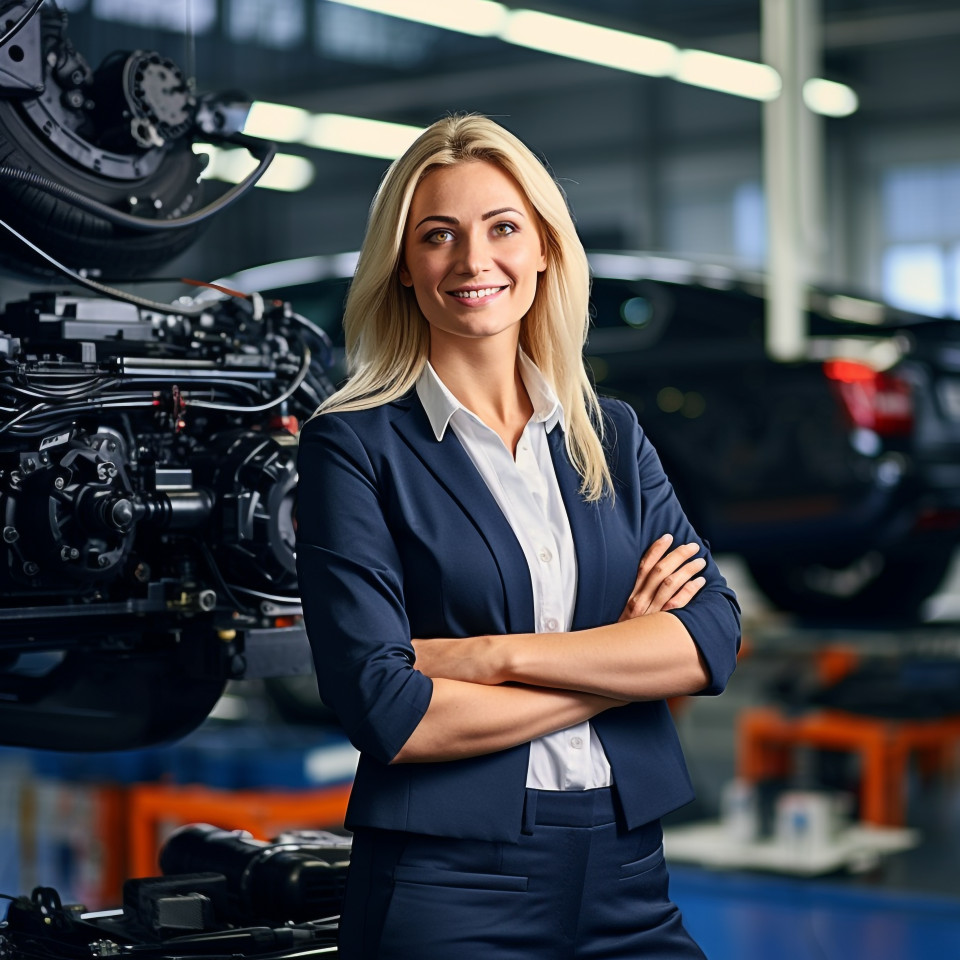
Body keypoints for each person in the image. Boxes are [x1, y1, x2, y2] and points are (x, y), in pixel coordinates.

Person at [295, 113, 741, 959]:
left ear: (544, 248)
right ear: (402, 268)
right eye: (438, 236)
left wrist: (486, 656)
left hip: (628, 871)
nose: (473, 262)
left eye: (502, 228)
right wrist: (620, 661)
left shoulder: (608, 434)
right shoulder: (353, 446)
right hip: (448, 884)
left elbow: (709, 638)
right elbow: (392, 712)